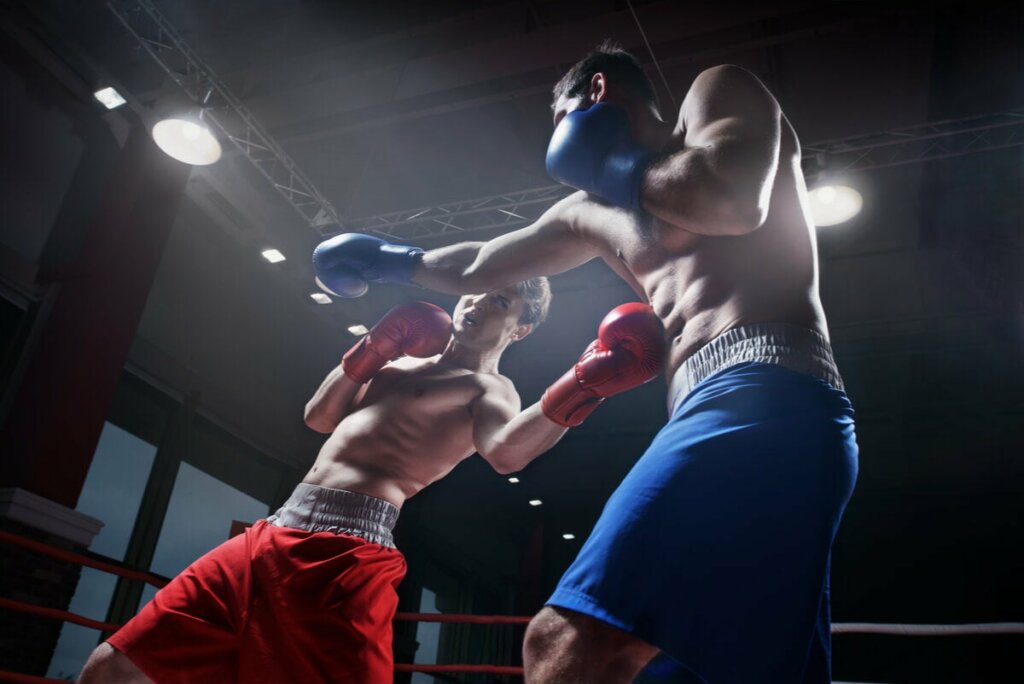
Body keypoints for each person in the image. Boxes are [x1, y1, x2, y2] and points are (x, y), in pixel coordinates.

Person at [312, 42, 859, 684]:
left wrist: (612, 160)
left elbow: (732, 201)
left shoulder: (718, 93)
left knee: (567, 645)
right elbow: (478, 266)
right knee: (703, 671)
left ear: (597, 94)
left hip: (765, 390)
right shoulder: (591, 212)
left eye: (564, 122)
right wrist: (385, 259)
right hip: (728, 412)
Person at [78, 278, 666, 684]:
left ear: (521, 328)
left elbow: (507, 454)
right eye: (475, 293)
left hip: (343, 556)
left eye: (500, 302)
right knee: (113, 669)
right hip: (267, 537)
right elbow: (319, 417)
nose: (477, 305)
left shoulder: (489, 391)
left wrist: (586, 384)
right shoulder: (398, 362)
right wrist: (371, 349)